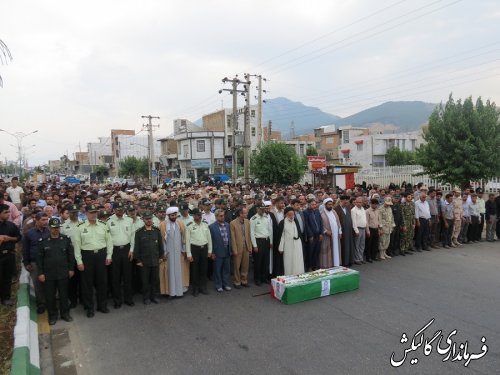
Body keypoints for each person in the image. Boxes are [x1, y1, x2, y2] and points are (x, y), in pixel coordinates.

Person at [73, 204, 113, 318]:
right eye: (91, 212)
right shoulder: (80, 227)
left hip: (101, 255)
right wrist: (79, 261)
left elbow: (109, 242)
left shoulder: (103, 225)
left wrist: (109, 256)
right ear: (86, 214)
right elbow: (77, 246)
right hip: (87, 256)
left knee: (102, 282)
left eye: (95, 212)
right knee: (87, 284)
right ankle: (89, 308)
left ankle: (102, 305)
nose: (93, 214)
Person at [37, 217, 75, 325]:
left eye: (57, 227)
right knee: (50, 296)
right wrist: (40, 273)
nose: (55, 230)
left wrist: (71, 269)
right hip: (49, 274)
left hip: (63, 272)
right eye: (53, 228)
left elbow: (70, 256)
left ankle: (65, 314)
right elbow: (39, 259)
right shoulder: (43, 242)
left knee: (64, 295)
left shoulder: (66, 239)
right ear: (49, 228)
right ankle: (52, 315)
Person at [107, 202, 135, 308]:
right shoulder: (109, 221)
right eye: (118, 209)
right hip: (114, 251)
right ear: (113, 210)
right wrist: (109, 255)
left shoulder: (129, 220)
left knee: (128, 276)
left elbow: (132, 236)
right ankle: (117, 301)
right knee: (115, 278)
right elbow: (108, 239)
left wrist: (132, 250)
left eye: (122, 209)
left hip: (127, 249)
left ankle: (128, 299)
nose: (120, 211)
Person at [134, 211, 164, 304]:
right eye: (146, 219)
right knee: (145, 281)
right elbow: (137, 247)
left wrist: (161, 257)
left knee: (155, 280)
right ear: (143, 220)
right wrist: (138, 260)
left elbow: (160, 245)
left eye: (150, 218)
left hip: (155, 259)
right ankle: (146, 298)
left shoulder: (156, 231)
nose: (149, 220)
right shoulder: (139, 233)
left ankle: (154, 296)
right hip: (144, 261)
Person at [22, 212, 49, 313]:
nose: (45, 222)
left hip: (48, 262)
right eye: (43, 220)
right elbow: (25, 250)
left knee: (49, 283)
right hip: (34, 263)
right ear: (36, 221)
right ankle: (41, 303)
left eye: (46, 219)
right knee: (38, 284)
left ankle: (50, 302)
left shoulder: (49, 232)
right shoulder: (29, 233)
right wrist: (26, 263)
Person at [159, 206, 189, 297]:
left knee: (179, 271)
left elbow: (184, 238)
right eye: (172, 215)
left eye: (175, 215)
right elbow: (162, 240)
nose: (174, 217)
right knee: (170, 271)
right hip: (168, 253)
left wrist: (183, 250)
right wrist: (163, 253)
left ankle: (180, 291)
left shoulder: (180, 223)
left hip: (179, 252)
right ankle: (170, 291)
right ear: (168, 216)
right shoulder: (163, 225)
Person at [185, 208, 212, 296]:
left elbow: (209, 238)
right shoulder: (189, 226)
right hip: (194, 249)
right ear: (193, 216)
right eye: (196, 215)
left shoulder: (205, 224)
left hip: (204, 248)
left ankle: (203, 287)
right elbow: (187, 241)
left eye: (199, 215)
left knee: (204, 269)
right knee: (194, 270)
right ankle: (195, 288)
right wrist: (188, 254)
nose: (198, 216)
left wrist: (210, 250)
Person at [60, 204, 82, 308]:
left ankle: (83, 298)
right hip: (70, 256)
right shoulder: (63, 226)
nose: (75, 214)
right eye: (73, 212)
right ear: (69, 213)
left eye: (76, 212)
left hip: (82, 254)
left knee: (83, 279)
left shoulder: (83, 223)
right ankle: (73, 300)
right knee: (72, 280)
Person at [0, 204, 22, 305]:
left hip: (9, 255)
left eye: (9, 212)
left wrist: (8, 238)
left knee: (7, 277)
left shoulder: (11, 225)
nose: (9, 214)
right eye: (6, 212)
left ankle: (6, 298)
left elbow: (18, 237)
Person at [250, 203, 273, 286]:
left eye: (264, 208)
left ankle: (264, 277)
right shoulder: (253, 219)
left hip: (266, 241)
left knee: (266, 261)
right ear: (257, 209)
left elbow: (269, 230)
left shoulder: (266, 217)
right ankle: (257, 278)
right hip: (258, 241)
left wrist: (270, 242)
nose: (263, 210)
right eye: (261, 208)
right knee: (258, 262)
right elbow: (252, 233)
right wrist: (254, 245)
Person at [209, 209, 232, 292]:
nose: (223, 217)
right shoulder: (211, 227)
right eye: (221, 216)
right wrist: (212, 253)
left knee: (226, 269)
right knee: (217, 269)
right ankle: (218, 285)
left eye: (223, 215)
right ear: (216, 217)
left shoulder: (227, 225)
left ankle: (225, 284)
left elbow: (230, 238)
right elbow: (210, 240)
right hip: (217, 251)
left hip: (227, 250)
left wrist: (231, 249)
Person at [277, 207, 304, 275]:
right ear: (286, 215)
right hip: (288, 246)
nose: (292, 216)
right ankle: (289, 275)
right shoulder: (282, 223)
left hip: (297, 244)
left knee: (298, 260)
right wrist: (281, 247)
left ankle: (298, 274)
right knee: (289, 261)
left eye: (293, 214)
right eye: (290, 215)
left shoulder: (295, 221)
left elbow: (299, 233)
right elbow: (281, 236)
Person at [230, 207, 252, 288]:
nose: (247, 214)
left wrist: (250, 246)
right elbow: (232, 238)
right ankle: (237, 282)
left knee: (245, 265)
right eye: (245, 213)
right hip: (238, 247)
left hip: (246, 246)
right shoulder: (232, 223)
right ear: (240, 214)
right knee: (237, 265)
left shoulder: (247, 222)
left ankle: (244, 280)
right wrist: (234, 249)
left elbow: (249, 235)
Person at [320, 198, 342, 268]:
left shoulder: (334, 212)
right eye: (329, 205)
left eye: (331, 204)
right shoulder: (322, 213)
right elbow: (321, 225)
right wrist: (326, 231)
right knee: (327, 251)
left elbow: (338, 222)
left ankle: (336, 263)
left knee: (336, 249)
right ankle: (327, 265)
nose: (330, 206)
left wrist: (340, 232)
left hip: (335, 235)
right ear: (325, 205)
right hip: (327, 236)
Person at [303, 198, 323, 271]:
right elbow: (306, 224)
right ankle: (309, 267)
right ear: (309, 205)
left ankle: (315, 266)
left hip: (318, 235)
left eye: (315, 204)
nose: (314, 206)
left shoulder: (317, 211)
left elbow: (320, 222)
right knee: (310, 252)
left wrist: (321, 233)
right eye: (312, 204)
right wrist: (310, 235)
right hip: (311, 236)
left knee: (317, 251)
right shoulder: (305, 212)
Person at [334, 195, 354, 267]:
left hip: (349, 230)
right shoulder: (336, 209)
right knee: (343, 246)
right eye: (345, 201)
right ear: (341, 201)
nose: (346, 202)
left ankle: (349, 260)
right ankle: (344, 262)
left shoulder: (348, 208)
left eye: (347, 201)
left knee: (349, 245)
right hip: (342, 230)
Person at [351, 197, 368, 265]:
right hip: (358, 229)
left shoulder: (363, 209)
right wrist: (356, 230)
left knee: (362, 244)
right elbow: (353, 221)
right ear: (355, 202)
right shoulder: (353, 210)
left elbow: (365, 219)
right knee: (356, 245)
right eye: (357, 202)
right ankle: (356, 259)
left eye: (360, 202)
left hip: (363, 228)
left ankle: (361, 258)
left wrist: (367, 229)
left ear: (362, 202)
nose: (359, 203)